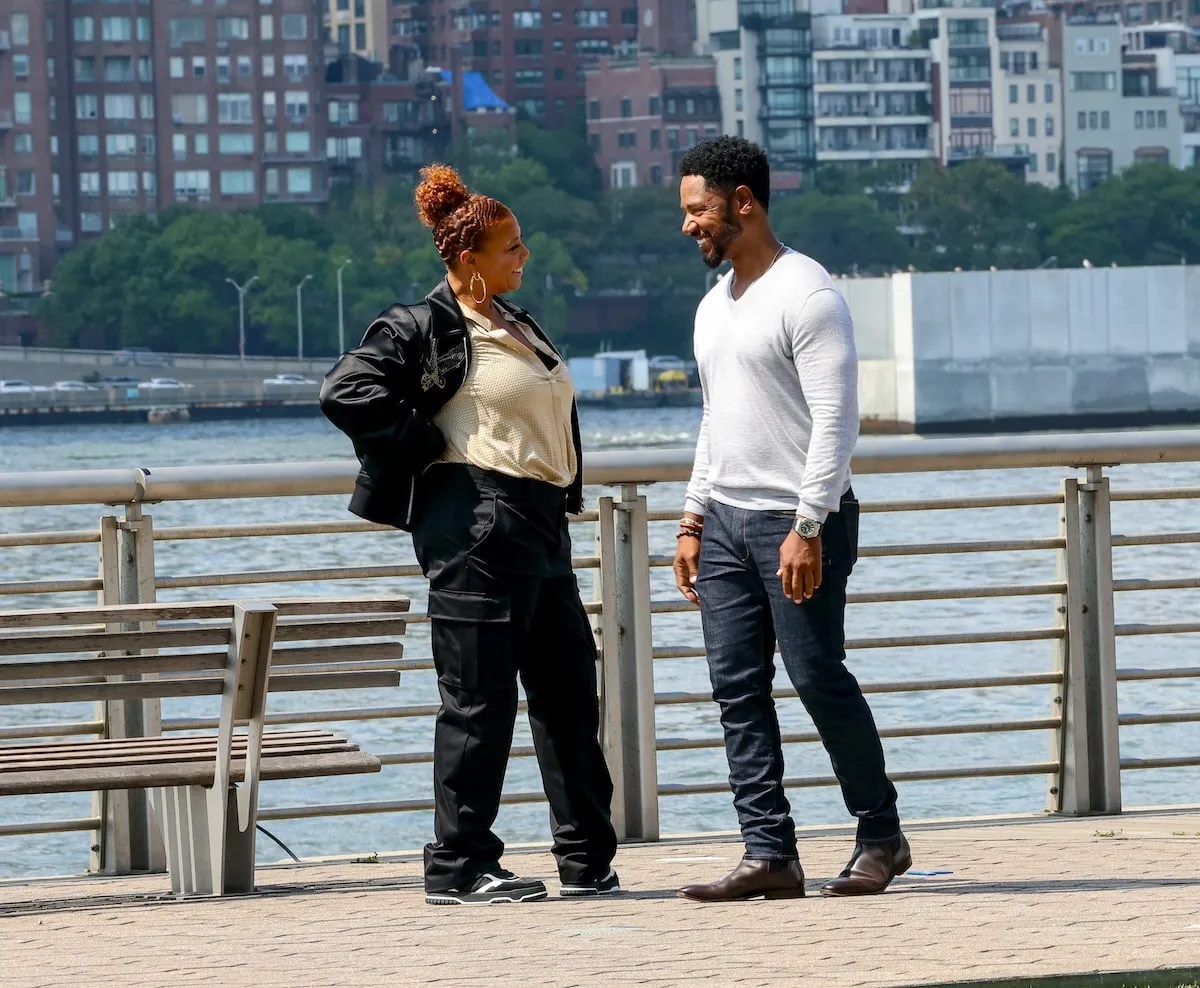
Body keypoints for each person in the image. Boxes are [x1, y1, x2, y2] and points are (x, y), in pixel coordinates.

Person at [319, 164, 618, 906]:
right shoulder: (422, 326)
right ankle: (459, 866)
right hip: (479, 528)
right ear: (467, 259)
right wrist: (425, 444)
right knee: (479, 703)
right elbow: (344, 389)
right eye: (510, 247)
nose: (524, 257)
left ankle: (587, 860)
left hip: (542, 527)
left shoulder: (514, 323)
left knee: (569, 699)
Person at [671, 137, 910, 902]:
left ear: (744, 202)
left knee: (816, 677)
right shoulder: (714, 308)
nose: (688, 227)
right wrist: (692, 515)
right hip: (728, 523)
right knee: (735, 688)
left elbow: (838, 424)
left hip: (799, 521)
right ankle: (769, 852)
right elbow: (718, 419)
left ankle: (882, 835)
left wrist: (809, 525)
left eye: (698, 209)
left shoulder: (808, 295)